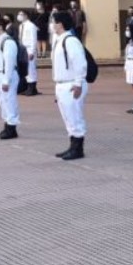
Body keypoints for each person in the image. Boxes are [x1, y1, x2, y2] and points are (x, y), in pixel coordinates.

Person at [50, 11, 89, 161]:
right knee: (68, 117)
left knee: (75, 117)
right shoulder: (59, 40)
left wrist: (78, 83)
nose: (52, 25)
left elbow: (80, 63)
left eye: (54, 22)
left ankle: (78, 148)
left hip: (71, 84)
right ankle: (72, 145)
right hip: (62, 84)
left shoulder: (71, 41)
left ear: (60, 24)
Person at [0, 16, 20, 140]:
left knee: (9, 101)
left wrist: (6, 80)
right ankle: (6, 126)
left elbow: (9, 62)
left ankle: (12, 128)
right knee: (2, 102)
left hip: (6, 75)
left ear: (0, 26)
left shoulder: (8, 42)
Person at [17, 11, 40, 96]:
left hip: (29, 48)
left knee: (31, 68)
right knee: (25, 68)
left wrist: (32, 51)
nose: (19, 16)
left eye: (21, 15)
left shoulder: (31, 26)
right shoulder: (21, 26)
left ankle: (32, 88)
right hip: (23, 49)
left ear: (26, 15)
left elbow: (34, 39)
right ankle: (27, 87)